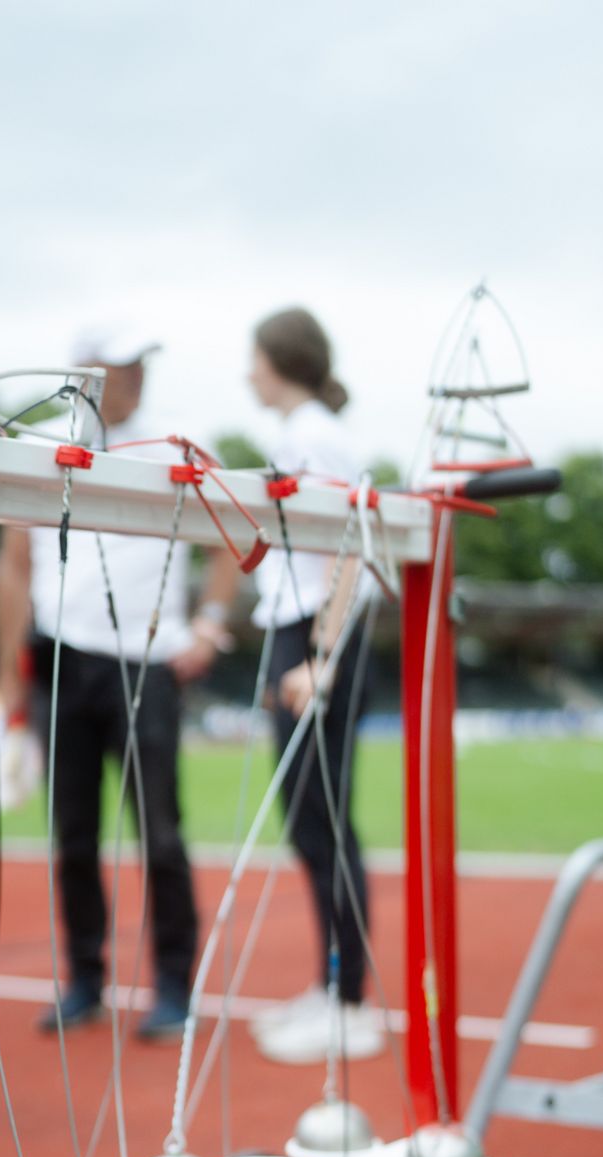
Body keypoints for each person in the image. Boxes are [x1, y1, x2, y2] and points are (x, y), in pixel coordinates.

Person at [0, 323, 239, 1041]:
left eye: (140, 366)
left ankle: (172, 986)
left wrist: (211, 623)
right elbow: (13, 563)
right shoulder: (36, 443)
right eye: (122, 367)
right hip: (65, 660)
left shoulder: (175, 444)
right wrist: (10, 673)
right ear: (87, 372)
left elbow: (234, 529)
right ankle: (86, 981)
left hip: (148, 661)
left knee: (160, 834)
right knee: (72, 835)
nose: (136, 380)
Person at [246, 307, 382, 1064]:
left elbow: (352, 542)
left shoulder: (316, 437)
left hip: (319, 637)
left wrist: (321, 651)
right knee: (309, 823)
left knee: (324, 821)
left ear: (280, 361)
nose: (246, 372)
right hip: (296, 632)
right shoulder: (298, 435)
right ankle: (333, 986)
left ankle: (351, 1002)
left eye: (254, 359)